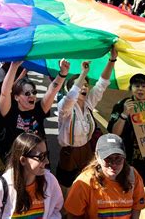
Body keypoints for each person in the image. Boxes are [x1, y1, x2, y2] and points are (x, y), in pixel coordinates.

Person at [56, 48, 117, 193]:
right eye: (80, 84)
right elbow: (71, 97)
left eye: (86, 84)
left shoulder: (89, 104)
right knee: (68, 189)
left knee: (87, 187)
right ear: (69, 89)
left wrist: (112, 60)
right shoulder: (64, 107)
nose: (84, 86)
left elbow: (102, 83)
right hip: (69, 154)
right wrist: (83, 73)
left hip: (87, 151)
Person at [0, 133, 63, 218]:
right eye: (41, 157)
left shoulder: (50, 181)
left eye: (46, 154)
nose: (47, 161)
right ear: (23, 160)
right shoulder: (0, 186)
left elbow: (55, 210)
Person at [64, 133, 145, 218]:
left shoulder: (132, 176)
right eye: (108, 159)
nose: (113, 164)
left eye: (118, 158)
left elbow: (137, 206)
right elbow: (73, 214)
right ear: (97, 156)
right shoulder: (84, 183)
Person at [0, 59, 70, 155]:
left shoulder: (39, 109)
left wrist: (62, 73)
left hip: (40, 160)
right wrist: (14, 66)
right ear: (16, 97)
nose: (32, 95)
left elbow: (52, 90)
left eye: (34, 92)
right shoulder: (10, 112)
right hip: (18, 162)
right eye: (27, 93)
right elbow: (5, 93)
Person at [107, 74, 145, 184]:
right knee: (122, 186)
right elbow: (114, 133)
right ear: (131, 88)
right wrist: (124, 114)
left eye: (144, 86)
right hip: (125, 157)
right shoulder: (122, 105)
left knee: (141, 187)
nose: (140, 89)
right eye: (137, 86)